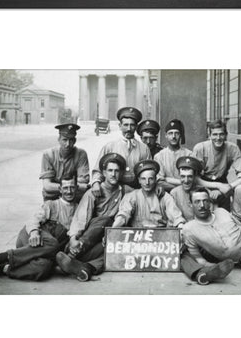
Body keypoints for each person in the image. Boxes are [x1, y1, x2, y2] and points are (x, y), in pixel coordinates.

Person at [0, 174, 79, 281]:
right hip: (32, 237)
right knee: (53, 243)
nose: (69, 191)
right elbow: (34, 219)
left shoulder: (80, 210)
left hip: (43, 250)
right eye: (65, 188)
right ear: (60, 189)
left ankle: (1, 268)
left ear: (76, 188)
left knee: (43, 267)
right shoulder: (52, 204)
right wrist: (34, 232)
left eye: (72, 187)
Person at [55, 153, 131, 282]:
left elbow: (141, 194)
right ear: (103, 173)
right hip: (88, 238)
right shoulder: (94, 192)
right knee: (105, 219)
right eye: (110, 170)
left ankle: (84, 268)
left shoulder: (126, 190)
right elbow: (81, 217)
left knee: (114, 249)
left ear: (122, 172)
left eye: (117, 171)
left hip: (105, 239)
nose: (113, 174)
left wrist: (160, 191)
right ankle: (73, 252)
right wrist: (74, 238)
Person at [91, 107, 151, 193]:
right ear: (120, 126)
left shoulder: (144, 148)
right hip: (114, 190)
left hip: (137, 191)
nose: (129, 129)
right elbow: (98, 170)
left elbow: (148, 171)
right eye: (126, 125)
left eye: (132, 125)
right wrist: (96, 183)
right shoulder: (110, 147)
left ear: (136, 127)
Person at [192, 119, 241, 210]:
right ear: (209, 135)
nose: (218, 138)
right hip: (203, 183)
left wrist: (228, 187)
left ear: (226, 135)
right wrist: (218, 186)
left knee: (225, 214)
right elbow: (194, 178)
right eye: (214, 134)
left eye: (221, 134)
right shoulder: (200, 148)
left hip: (223, 182)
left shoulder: (232, 148)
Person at [112, 159, 185, 228]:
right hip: (136, 236)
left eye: (150, 179)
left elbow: (176, 216)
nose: (147, 183)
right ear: (139, 180)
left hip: (161, 235)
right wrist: (113, 229)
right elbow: (123, 215)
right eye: (143, 179)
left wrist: (180, 225)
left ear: (155, 179)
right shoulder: (132, 196)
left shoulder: (164, 197)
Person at [40, 121, 90, 201]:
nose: (67, 144)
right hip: (53, 197)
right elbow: (47, 186)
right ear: (59, 139)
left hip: (73, 197)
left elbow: (84, 183)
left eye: (71, 140)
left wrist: (63, 187)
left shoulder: (81, 154)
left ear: (75, 141)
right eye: (64, 140)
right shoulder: (48, 155)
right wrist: (71, 186)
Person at [154, 119, 192, 192]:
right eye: (170, 133)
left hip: (187, 193)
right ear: (166, 136)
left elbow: (191, 180)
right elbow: (160, 181)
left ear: (180, 135)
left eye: (176, 133)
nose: (173, 136)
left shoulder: (189, 154)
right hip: (166, 193)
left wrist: (167, 179)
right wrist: (179, 188)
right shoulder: (159, 156)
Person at [170, 156, 203, 222]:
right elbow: (172, 217)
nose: (186, 181)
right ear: (179, 175)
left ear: (195, 176)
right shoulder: (174, 193)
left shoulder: (203, 192)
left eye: (190, 176)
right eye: (183, 176)